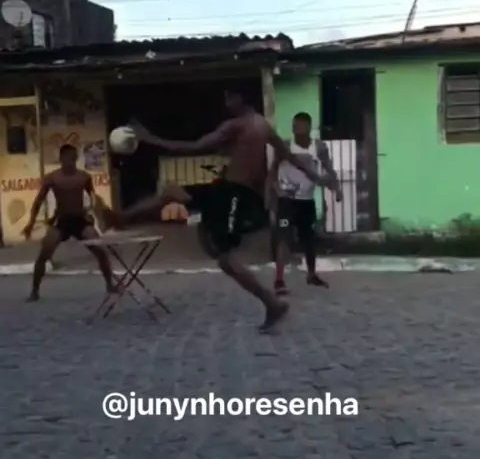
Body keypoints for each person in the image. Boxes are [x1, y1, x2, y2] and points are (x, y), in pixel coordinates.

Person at [98, 92, 338, 332]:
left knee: (226, 259)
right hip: (226, 190)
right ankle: (121, 217)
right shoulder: (263, 126)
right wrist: (318, 177)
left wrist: (149, 138)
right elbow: (291, 157)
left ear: (241, 99)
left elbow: (194, 146)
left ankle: (272, 304)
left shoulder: (236, 125)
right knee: (172, 193)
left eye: (229, 99)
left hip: (234, 194)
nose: (226, 104)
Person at [23, 143, 116, 302]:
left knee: (100, 251)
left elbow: (93, 198)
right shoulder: (52, 178)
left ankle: (110, 285)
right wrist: (30, 223)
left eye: (73, 158)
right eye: (67, 158)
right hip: (61, 220)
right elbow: (38, 201)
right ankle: (34, 291)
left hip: (80, 220)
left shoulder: (84, 177)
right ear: (61, 159)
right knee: (44, 254)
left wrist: (98, 218)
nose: (70, 162)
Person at [265, 112, 342, 295]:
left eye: (299, 126)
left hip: (306, 201)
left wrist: (336, 188)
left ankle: (311, 274)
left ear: (308, 127)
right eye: (294, 126)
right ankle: (279, 280)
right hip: (287, 202)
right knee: (283, 238)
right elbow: (273, 170)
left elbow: (329, 169)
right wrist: (274, 191)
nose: (296, 129)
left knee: (308, 239)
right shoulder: (285, 146)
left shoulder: (319, 147)